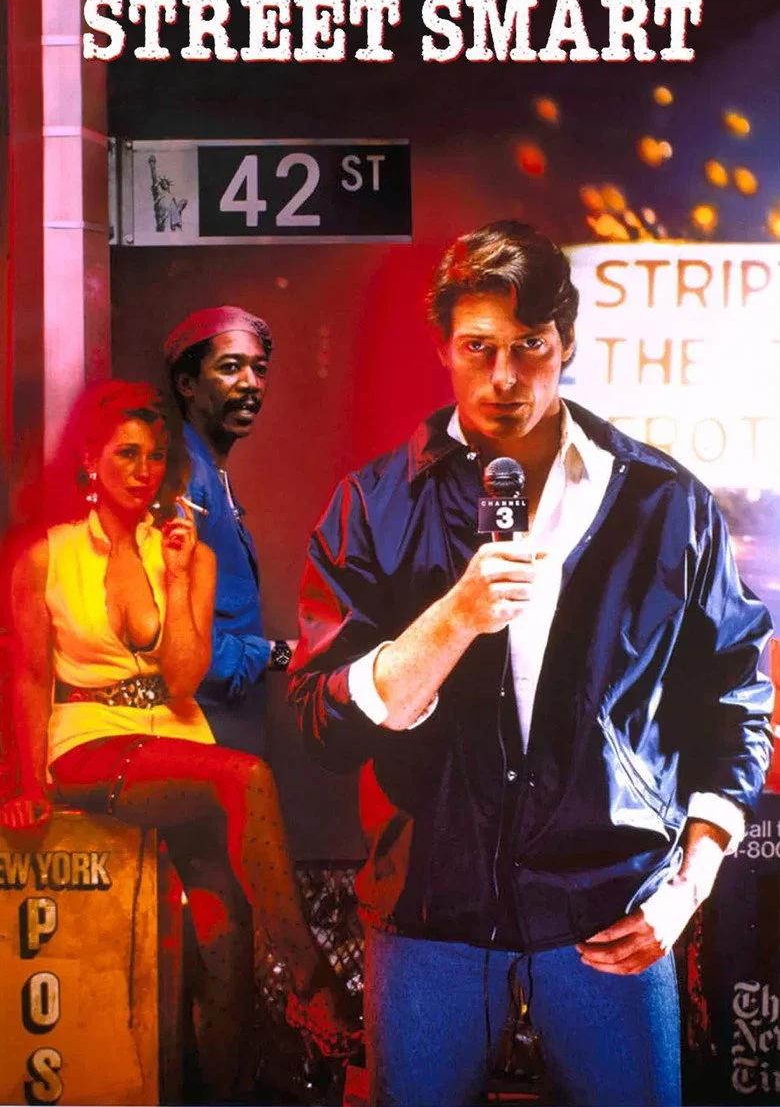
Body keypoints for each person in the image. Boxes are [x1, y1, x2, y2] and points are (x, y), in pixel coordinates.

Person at [289, 221, 775, 1107]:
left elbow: (737, 697)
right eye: (479, 348)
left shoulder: (664, 504)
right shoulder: (374, 506)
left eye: (530, 347)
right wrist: (454, 618)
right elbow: (321, 722)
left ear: (567, 344)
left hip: (612, 912)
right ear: (443, 349)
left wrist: (687, 888)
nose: (505, 377)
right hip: (429, 917)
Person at [0, 380, 360, 1102]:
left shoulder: (188, 555)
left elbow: (185, 677)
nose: (144, 470)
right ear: (89, 460)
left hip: (178, 744)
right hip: (90, 742)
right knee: (247, 776)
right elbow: (31, 679)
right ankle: (312, 982)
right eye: (126, 454)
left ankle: (221, 1095)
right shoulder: (45, 556)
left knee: (223, 933)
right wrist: (27, 785)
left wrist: (174, 574)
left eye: (156, 456)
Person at [164, 306, 295, 756]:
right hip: (201, 727)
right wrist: (287, 654)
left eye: (260, 369)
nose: (251, 384)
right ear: (187, 384)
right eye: (230, 367)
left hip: (232, 723)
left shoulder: (210, 471)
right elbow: (181, 635)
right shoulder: (184, 476)